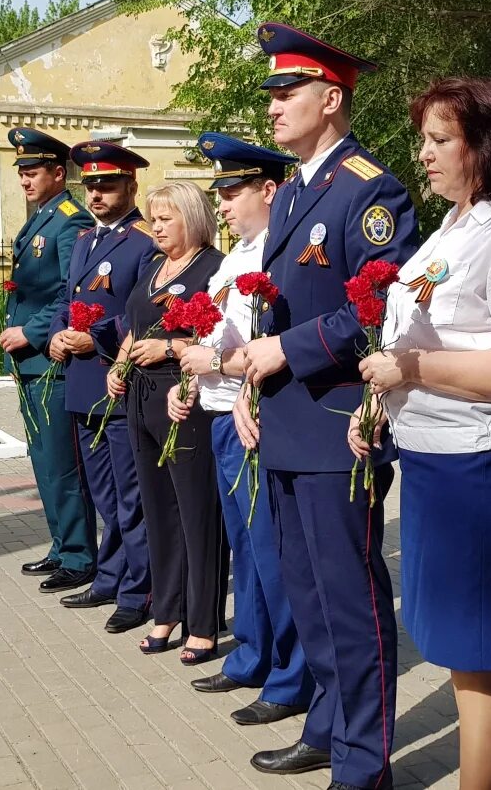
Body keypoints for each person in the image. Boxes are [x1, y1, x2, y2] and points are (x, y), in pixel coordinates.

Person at [349, 79, 491, 790]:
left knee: (479, 651)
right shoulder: (455, 226)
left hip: (478, 463)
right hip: (433, 459)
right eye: (426, 139)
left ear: (486, 145)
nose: (425, 153)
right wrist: (381, 398)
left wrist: (412, 367)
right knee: (455, 646)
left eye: (442, 139)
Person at [235, 23, 419, 790]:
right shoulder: (295, 191)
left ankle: (365, 760)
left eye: (288, 92)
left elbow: (380, 309)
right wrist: (251, 379)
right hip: (284, 421)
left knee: (349, 597)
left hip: (337, 426)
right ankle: (326, 726)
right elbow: (271, 311)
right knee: (307, 594)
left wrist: (287, 352)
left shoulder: (369, 189)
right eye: (272, 94)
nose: (274, 107)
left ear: (332, 98)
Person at [168, 132, 314, 726]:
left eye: (233, 190)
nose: (222, 203)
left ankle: (290, 675)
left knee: (272, 551)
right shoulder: (234, 259)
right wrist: (190, 382)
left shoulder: (275, 255)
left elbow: (269, 346)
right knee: (247, 550)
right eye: (220, 191)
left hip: (252, 414)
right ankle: (253, 652)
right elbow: (212, 337)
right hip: (223, 412)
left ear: (269, 190)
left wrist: (217, 369)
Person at [106, 180, 226, 666]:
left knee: (195, 512)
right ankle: (167, 607)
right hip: (140, 396)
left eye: (164, 218)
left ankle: (203, 622)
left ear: (192, 219)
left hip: (185, 397)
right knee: (158, 510)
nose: (154, 226)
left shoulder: (213, 268)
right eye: (152, 218)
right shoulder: (155, 267)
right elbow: (135, 323)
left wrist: (171, 348)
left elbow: (218, 337)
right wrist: (118, 364)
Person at [46, 140, 159, 633]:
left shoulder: (142, 241)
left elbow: (145, 311)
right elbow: (67, 299)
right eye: (89, 184)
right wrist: (55, 335)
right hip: (81, 383)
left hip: (117, 382)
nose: (95, 193)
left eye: (106, 184)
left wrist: (95, 338)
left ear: (130, 185)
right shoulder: (88, 241)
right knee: (103, 494)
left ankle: (141, 590)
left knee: (128, 498)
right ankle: (111, 575)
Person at [1, 127, 97, 593]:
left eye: (33, 171)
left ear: (59, 174)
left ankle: (80, 555)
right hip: (30, 364)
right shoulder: (42, 216)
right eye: (21, 172)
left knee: (61, 462)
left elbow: (69, 289)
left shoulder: (70, 221)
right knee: (43, 459)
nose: (24, 179)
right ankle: (61, 546)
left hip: (49, 361)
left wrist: (32, 332)